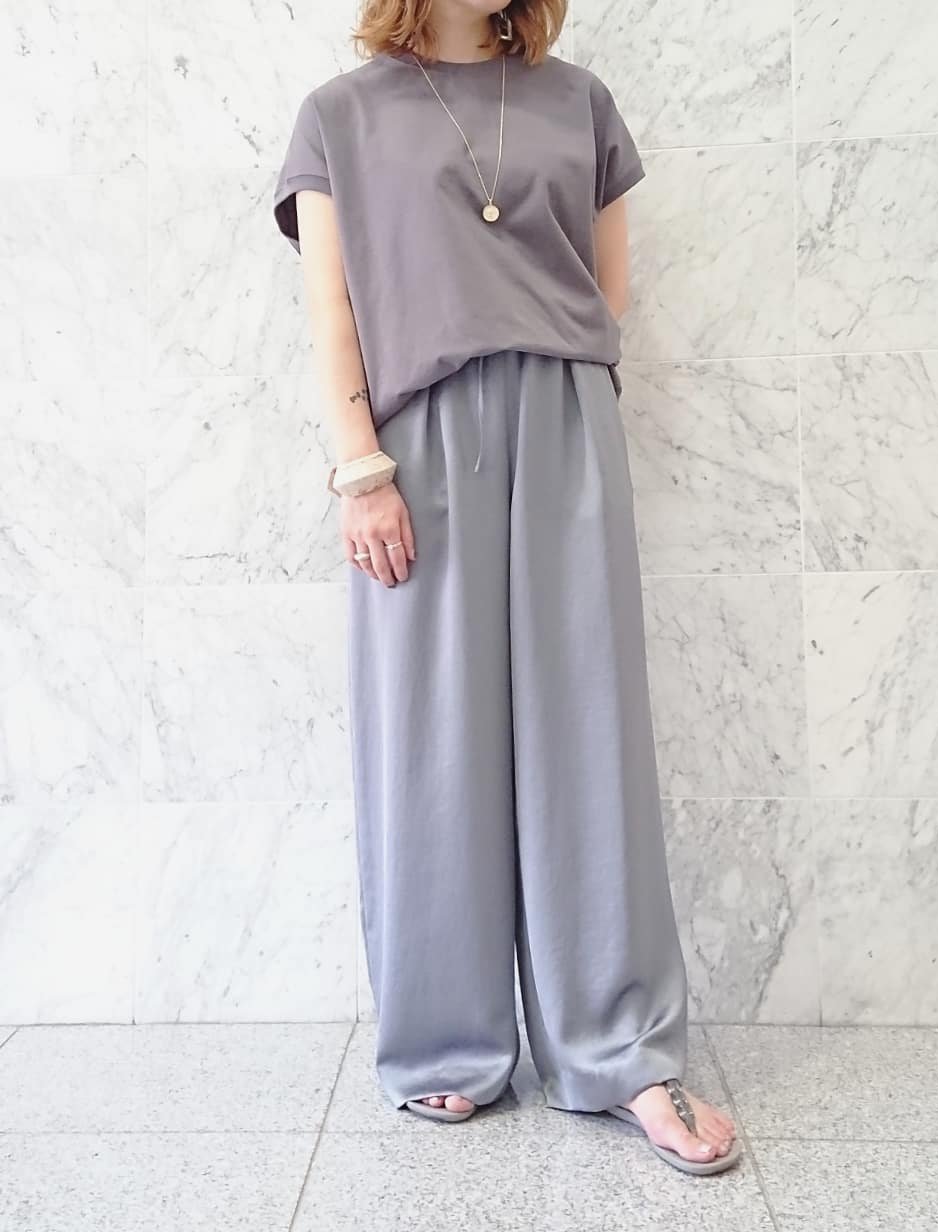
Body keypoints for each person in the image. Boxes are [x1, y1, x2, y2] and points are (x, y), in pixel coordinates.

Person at [273, 0, 740, 1176]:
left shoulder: (577, 103)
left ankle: (619, 1047)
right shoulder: (337, 117)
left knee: (588, 727)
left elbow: (605, 293)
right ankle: (445, 1034)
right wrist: (359, 469)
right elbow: (331, 313)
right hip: (413, 443)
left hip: (565, 418)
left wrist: (542, 378)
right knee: (430, 737)